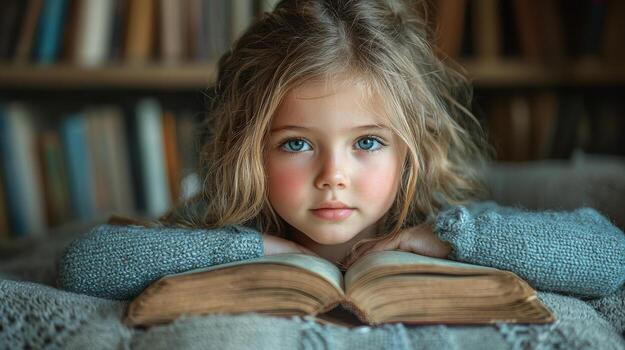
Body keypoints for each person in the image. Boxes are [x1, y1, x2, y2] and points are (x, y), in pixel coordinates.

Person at [57, 0, 625, 301]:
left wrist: (449, 240)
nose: (333, 176)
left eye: (368, 143)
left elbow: (610, 257)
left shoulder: (441, 223)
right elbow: (85, 264)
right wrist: (258, 248)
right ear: (249, 151)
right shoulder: (222, 226)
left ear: (411, 151)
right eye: (297, 144)